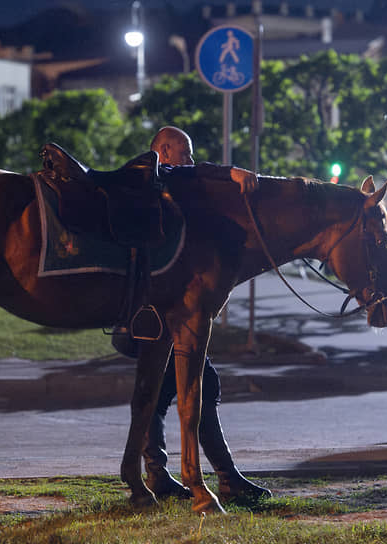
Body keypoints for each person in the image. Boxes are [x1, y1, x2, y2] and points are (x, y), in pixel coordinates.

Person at [127, 126, 270, 502]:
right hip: (160, 317)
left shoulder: (167, 190)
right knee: (196, 386)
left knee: (160, 396)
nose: (189, 161)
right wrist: (229, 172)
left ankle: (163, 475)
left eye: (190, 156)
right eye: (185, 153)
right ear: (165, 151)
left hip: (162, 315)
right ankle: (221, 476)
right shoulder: (157, 177)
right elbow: (190, 172)